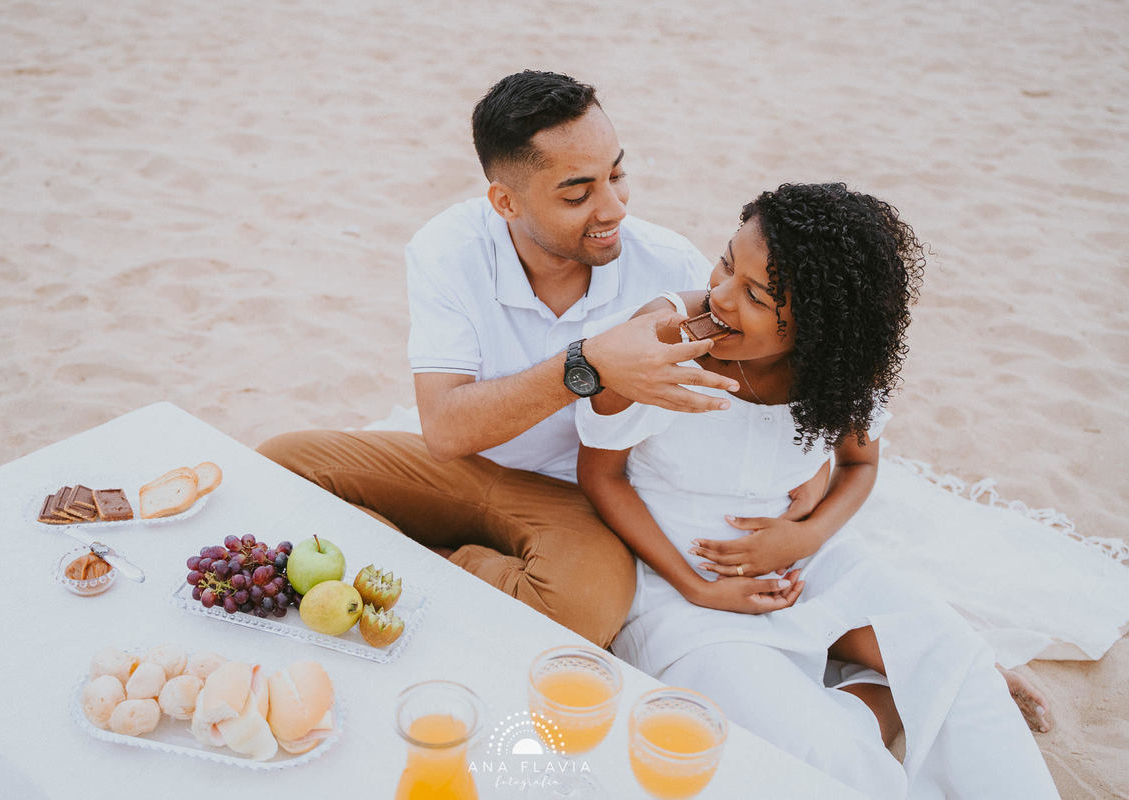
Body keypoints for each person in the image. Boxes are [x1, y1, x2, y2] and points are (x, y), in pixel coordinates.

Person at [257, 70, 827, 647]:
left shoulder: (668, 265)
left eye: (618, 174)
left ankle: (420, 565)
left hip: (578, 499)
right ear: (506, 201)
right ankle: (459, 571)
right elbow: (446, 430)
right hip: (459, 468)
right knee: (276, 464)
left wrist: (813, 460)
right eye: (578, 194)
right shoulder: (448, 250)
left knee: (582, 612)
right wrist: (591, 363)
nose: (613, 208)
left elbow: (763, 366)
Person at [576, 183, 1058, 798]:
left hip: (806, 564)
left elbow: (859, 466)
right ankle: (874, 704)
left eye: (755, 294)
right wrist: (699, 586)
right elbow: (600, 475)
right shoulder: (664, 336)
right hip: (678, 588)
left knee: (958, 657)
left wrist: (804, 534)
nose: (720, 295)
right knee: (821, 759)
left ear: (821, 326)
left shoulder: (839, 372)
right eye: (726, 261)